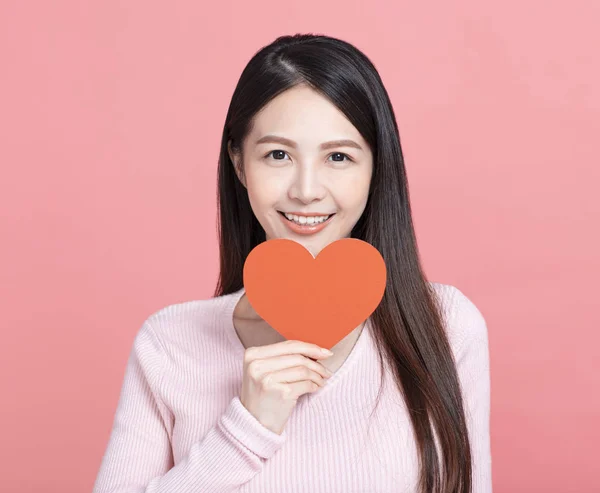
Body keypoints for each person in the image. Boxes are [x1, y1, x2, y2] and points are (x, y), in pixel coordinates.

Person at [92, 33, 492, 493]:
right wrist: (245, 428)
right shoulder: (170, 344)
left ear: (377, 167)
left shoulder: (446, 325)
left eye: (338, 156)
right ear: (239, 163)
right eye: (278, 155)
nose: (306, 190)